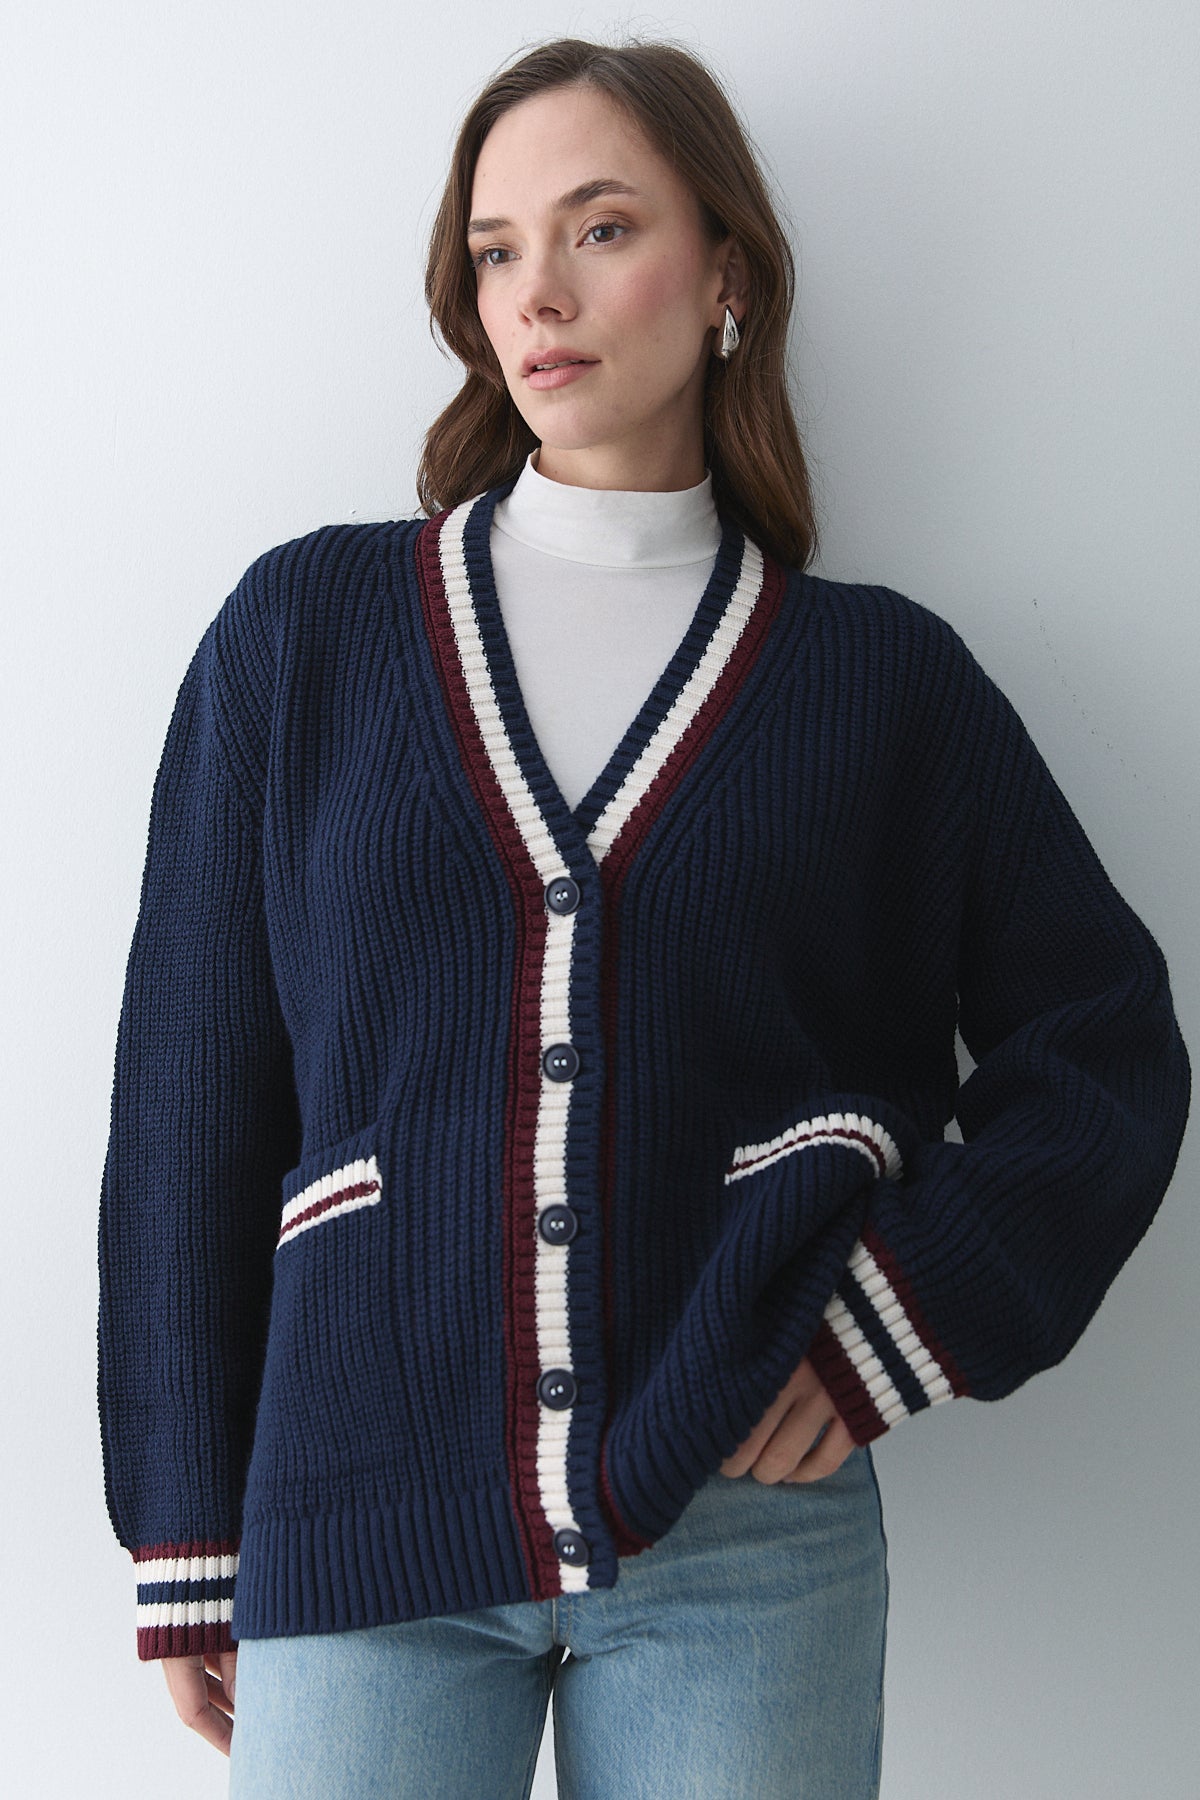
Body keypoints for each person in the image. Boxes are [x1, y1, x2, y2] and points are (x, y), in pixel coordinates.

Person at [97, 34, 1191, 1800]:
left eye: (600, 229)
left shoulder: (880, 688)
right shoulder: (304, 640)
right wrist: (180, 1525)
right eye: (496, 250)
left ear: (727, 274)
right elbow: (188, 1097)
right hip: (357, 1506)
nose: (539, 293)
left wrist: (901, 1316)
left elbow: (1105, 1049)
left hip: (744, 1534)